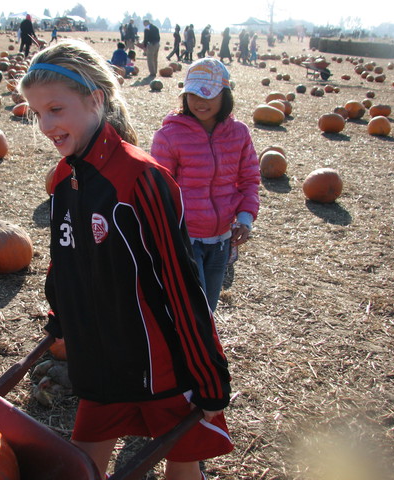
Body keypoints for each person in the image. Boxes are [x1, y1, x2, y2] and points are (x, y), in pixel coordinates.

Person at [20, 40, 233, 480]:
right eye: (37, 113)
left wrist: (209, 375)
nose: (45, 125)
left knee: (182, 465)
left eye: (56, 109)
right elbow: (65, 260)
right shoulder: (62, 179)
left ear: (95, 100)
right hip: (99, 363)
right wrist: (61, 315)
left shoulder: (141, 179)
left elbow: (181, 285)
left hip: (158, 367)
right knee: (81, 469)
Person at [151, 58, 260, 312]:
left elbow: (249, 179)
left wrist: (245, 218)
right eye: (193, 94)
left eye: (208, 94)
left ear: (225, 95)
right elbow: (159, 190)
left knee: (208, 307)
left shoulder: (239, 133)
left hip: (222, 238)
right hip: (185, 239)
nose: (200, 101)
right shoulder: (169, 136)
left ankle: (203, 338)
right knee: (192, 307)